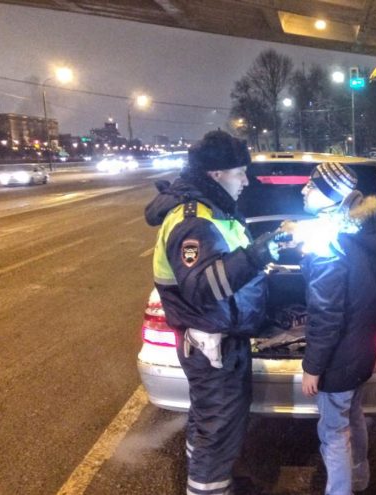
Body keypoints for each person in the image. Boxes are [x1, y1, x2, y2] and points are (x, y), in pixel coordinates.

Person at [145, 130, 282, 495]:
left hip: (222, 339)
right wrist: (259, 254)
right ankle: (207, 485)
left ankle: (214, 479)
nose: (246, 181)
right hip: (211, 345)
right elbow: (204, 287)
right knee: (217, 429)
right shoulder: (194, 220)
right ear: (216, 173)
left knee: (211, 422)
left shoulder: (215, 209)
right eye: (240, 173)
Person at [290, 162, 376, 495]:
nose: (304, 189)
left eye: (312, 185)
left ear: (330, 196)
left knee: (333, 434)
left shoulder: (327, 244)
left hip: (338, 359)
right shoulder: (361, 229)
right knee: (353, 415)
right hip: (361, 351)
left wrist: (312, 367)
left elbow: (326, 314)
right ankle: (359, 478)